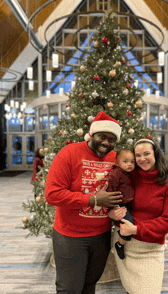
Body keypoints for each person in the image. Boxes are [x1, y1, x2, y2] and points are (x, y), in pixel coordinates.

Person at [45, 112, 126, 294]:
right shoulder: (69, 153)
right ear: (92, 134)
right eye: (102, 136)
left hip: (101, 235)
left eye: (112, 139)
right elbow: (52, 194)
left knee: (89, 286)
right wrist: (94, 199)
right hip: (70, 236)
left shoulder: (115, 159)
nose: (106, 142)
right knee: (69, 289)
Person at [109, 135, 168, 294]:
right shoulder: (129, 177)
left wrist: (136, 229)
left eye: (146, 154)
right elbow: (112, 198)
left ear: (155, 154)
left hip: (151, 249)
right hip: (125, 246)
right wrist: (112, 214)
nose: (142, 159)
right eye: (138, 155)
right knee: (131, 290)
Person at [107, 149, 135, 260]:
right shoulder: (116, 174)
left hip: (129, 203)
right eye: (126, 161)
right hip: (120, 206)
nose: (129, 164)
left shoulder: (128, 173)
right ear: (118, 163)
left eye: (132, 162)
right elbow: (110, 191)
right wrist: (114, 207)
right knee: (129, 223)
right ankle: (120, 244)